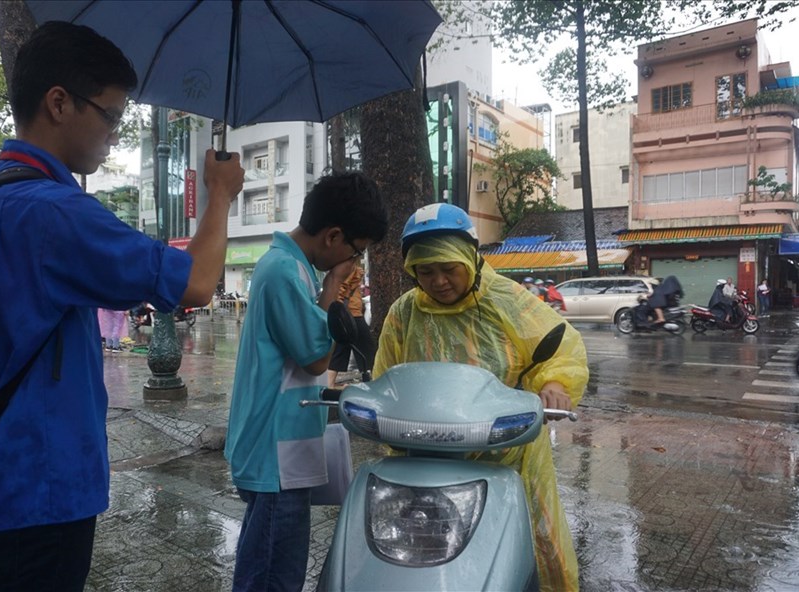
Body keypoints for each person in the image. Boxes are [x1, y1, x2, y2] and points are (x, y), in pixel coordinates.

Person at [0, 22, 244, 592]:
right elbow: (197, 283)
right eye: (111, 115)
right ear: (58, 103)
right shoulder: (51, 212)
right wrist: (219, 193)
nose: (113, 135)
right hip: (37, 490)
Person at [373, 203, 588, 592]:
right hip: (422, 454)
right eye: (426, 271)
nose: (438, 281)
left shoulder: (507, 301)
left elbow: (559, 347)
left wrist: (555, 383)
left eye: (448, 268)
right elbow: (385, 377)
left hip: (507, 453)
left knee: (539, 541)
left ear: (471, 259)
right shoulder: (403, 313)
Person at [224, 172, 388, 592]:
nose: (355, 262)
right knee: (272, 573)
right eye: (357, 252)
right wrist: (334, 283)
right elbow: (316, 359)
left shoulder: (293, 267)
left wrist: (328, 286)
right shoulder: (284, 271)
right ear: (334, 237)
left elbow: (305, 343)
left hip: (282, 447)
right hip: (276, 453)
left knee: (269, 559)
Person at [327, 261, 375, 386]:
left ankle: (329, 385)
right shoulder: (349, 266)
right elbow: (342, 289)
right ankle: (373, 383)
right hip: (353, 315)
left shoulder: (349, 266)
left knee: (340, 350)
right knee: (368, 350)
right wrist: (341, 308)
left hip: (350, 315)